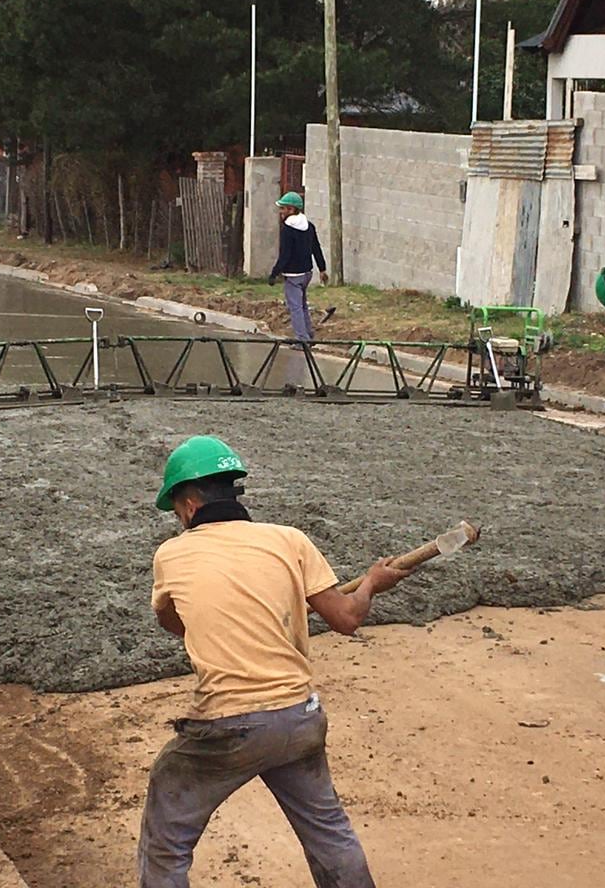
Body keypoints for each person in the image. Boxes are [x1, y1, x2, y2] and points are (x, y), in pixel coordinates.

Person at [139, 435, 408, 888]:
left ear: (188, 506)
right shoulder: (290, 541)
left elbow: (173, 622)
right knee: (328, 833)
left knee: (166, 838)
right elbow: (346, 618)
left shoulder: (172, 554)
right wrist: (372, 584)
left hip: (228, 726)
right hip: (299, 717)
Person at [269, 191, 327, 342]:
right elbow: (316, 248)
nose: (281, 212)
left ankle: (302, 340)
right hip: (307, 273)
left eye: (283, 208)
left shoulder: (288, 230)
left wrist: (274, 274)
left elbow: (285, 255)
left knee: (295, 308)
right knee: (302, 305)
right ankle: (309, 334)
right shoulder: (309, 226)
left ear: (291, 209)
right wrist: (322, 269)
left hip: (293, 275)